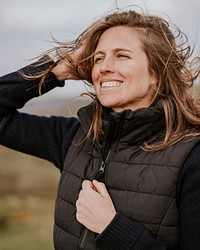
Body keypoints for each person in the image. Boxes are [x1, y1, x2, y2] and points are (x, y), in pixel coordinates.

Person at [0, 8, 200, 250]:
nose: (104, 67)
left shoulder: (192, 157)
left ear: (156, 73)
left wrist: (111, 228)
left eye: (122, 56)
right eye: (98, 58)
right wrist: (56, 72)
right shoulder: (74, 137)